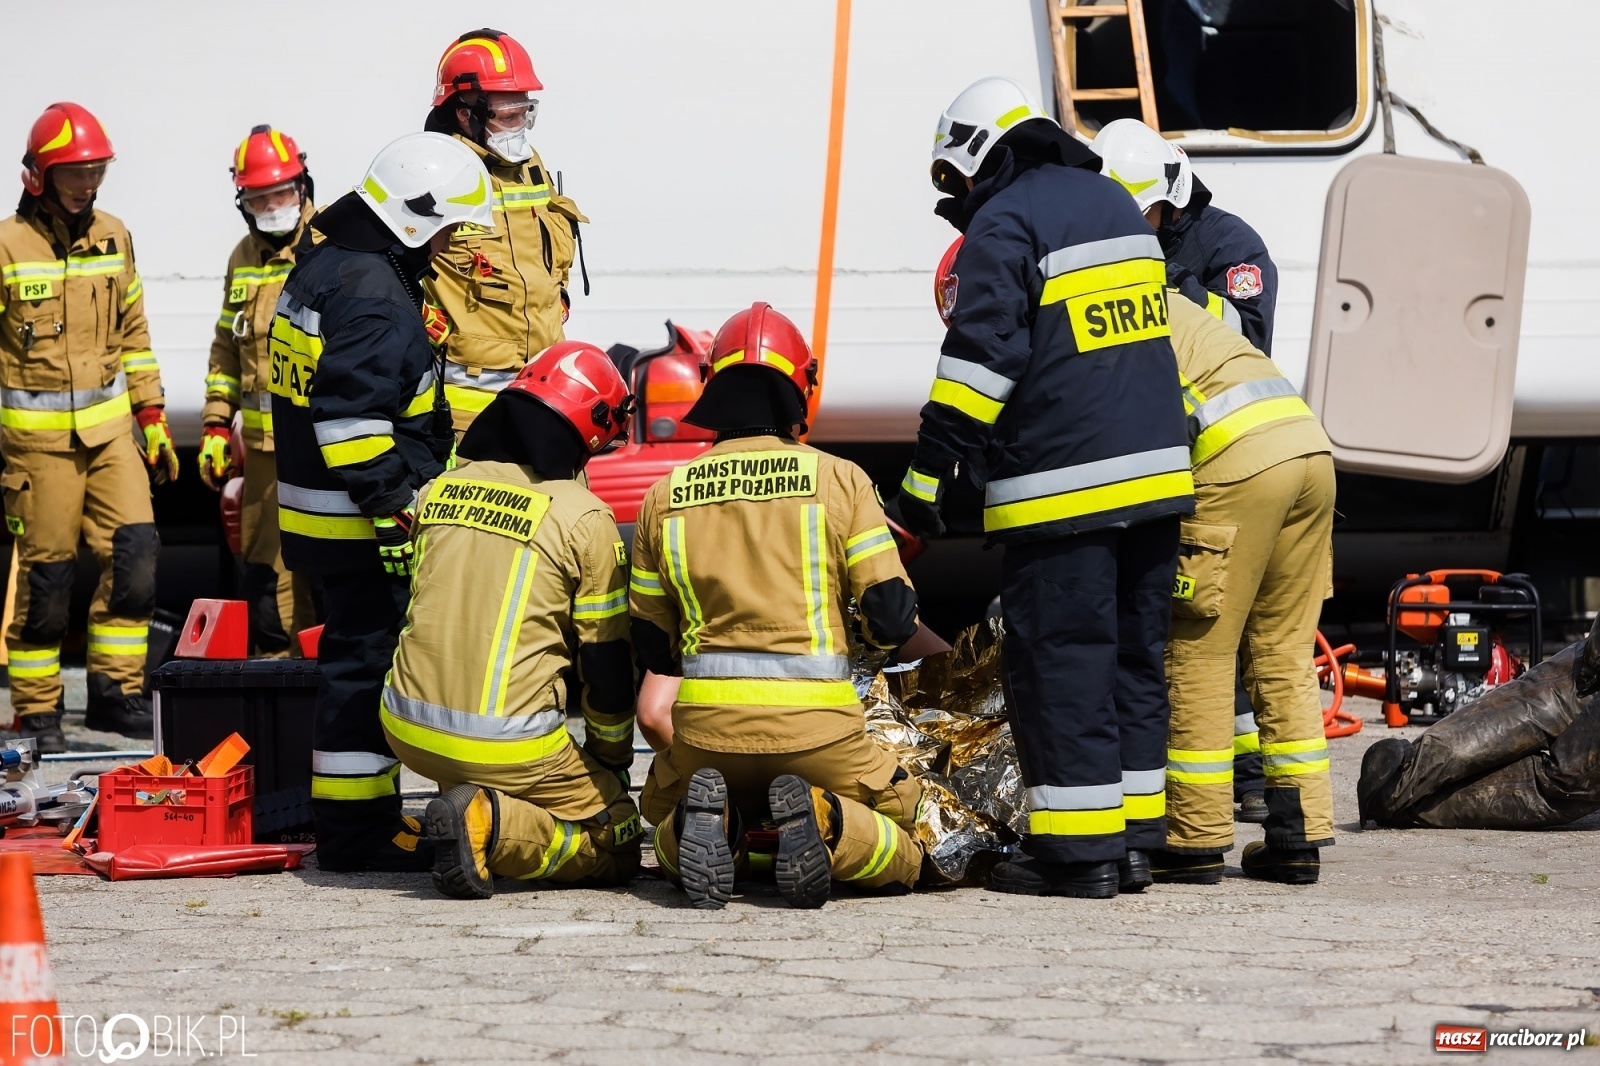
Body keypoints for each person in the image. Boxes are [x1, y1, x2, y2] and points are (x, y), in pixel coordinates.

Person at [896, 78, 1193, 899]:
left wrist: (923, 487)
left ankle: (1077, 856)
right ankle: (1132, 844)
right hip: (1158, 482)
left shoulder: (1007, 221)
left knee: (1063, 664)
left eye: (954, 185)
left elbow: (977, 368)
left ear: (979, 153)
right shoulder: (1111, 207)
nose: (958, 205)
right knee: (1134, 662)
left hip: (1063, 494)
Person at [631, 302, 925, 910]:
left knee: (658, 818)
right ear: (800, 387)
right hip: (821, 736)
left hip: (705, 737)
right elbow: (894, 618)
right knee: (912, 831)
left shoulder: (664, 496)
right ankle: (825, 822)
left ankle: (711, 828)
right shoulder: (841, 479)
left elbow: (653, 647)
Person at [268, 132, 490, 870]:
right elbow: (352, 424)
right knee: (363, 673)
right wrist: (397, 508)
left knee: (351, 665)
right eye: (452, 229)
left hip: (321, 513)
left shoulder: (329, 266)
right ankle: (357, 837)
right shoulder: (374, 298)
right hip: (359, 520)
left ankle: (357, 825)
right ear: (416, 221)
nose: (458, 243)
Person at [387, 341, 642, 898]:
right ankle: (491, 827)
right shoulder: (584, 517)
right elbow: (605, 663)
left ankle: (476, 804)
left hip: (404, 728)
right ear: (592, 429)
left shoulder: (440, 490)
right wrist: (609, 766)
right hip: (507, 745)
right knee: (619, 836)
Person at [1092, 117, 1282, 820]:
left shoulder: (1231, 246)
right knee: (1180, 617)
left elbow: (1249, 336)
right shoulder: (1129, 236)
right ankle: (1211, 769)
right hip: (1157, 455)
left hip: (1229, 460)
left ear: (1167, 197)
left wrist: (1159, 290)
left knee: (1222, 619)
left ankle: (1255, 773)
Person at [0, 103, 178, 752]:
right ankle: (39, 712)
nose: (87, 182)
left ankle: (115, 695)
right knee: (46, 582)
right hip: (37, 449)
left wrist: (153, 417)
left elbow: (133, 332)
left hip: (110, 439)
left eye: (96, 170)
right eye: (74, 171)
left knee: (135, 562)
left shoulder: (115, 234)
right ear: (38, 176)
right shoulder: (6, 246)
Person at [422, 28, 588, 433]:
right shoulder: (431, 170)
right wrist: (423, 320)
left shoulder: (532, 166)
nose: (521, 127)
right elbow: (373, 257)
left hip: (545, 384)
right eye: (509, 115)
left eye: (526, 111)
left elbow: (550, 244)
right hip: (469, 399)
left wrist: (558, 294)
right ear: (466, 113)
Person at [198, 125, 319, 655]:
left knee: (329, 569)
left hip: (324, 443)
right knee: (266, 575)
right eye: (260, 197)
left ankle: (330, 681)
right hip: (266, 453)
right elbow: (227, 347)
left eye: (282, 193)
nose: (273, 206)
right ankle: (278, 683)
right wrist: (216, 424)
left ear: (303, 186)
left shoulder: (330, 244)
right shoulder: (242, 258)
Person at [1090, 118, 1278, 355]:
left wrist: (1172, 286)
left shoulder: (1234, 246)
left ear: (1168, 202)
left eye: (1133, 215)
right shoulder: (1112, 239)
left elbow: (1247, 344)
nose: (1118, 226)